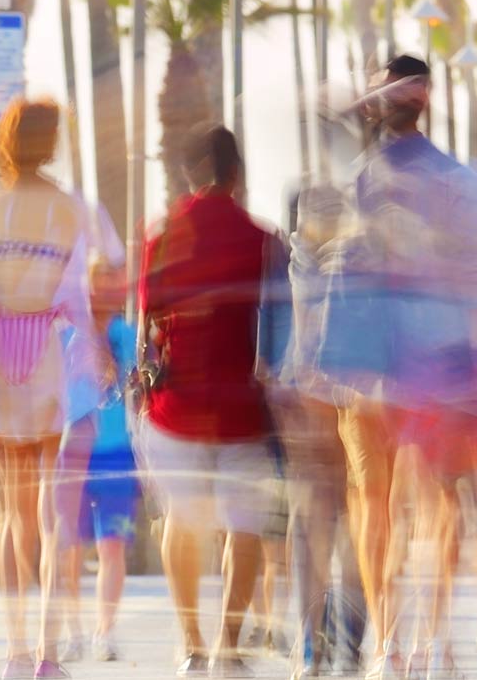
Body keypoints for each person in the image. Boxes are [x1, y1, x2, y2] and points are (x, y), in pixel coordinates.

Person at [0, 97, 114, 679]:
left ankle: (16, 652)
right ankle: (47, 655)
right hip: (47, 359)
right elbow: (74, 294)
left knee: (11, 516)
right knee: (53, 519)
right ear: (51, 144)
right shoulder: (67, 208)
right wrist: (96, 351)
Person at [347, 53, 477, 676]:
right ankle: (433, 639)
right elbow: (474, 275)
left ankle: (387, 644)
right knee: (441, 497)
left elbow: (344, 269)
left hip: (375, 356)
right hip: (444, 355)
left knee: (372, 500)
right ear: (426, 100)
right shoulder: (461, 179)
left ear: (381, 103)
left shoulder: (357, 177)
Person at [136, 125, 283, 678]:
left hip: (177, 406)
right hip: (244, 407)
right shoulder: (261, 238)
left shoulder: (163, 235)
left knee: (182, 518)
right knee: (243, 526)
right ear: (237, 173)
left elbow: (149, 320)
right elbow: (277, 325)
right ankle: (229, 641)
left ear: (187, 175)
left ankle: (192, 643)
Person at [272, 185, 368, 678]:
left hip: (305, 403)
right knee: (354, 521)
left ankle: (312, 645)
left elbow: (274, 346)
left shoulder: (288, 265)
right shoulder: (358, 263)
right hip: (351, 400)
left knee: (310, 526)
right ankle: (348, 641)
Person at [58, 266, 139, 665]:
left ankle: (104, 632)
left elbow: (142, 387)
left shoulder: (128, 335)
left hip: (118, 454)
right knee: (68, 547)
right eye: (97, 279)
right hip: (72, 453)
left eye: (113, 280)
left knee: (112, 547)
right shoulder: (65, 333)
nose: (106, 288)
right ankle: (72, 632)